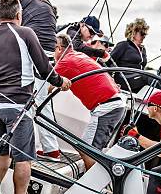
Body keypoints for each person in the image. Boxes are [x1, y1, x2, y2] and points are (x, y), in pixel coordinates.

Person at [0, 0, 71, 194]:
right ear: (19, 14)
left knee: (2, 151)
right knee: (23, 159)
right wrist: (62, 82)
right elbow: (44, 69)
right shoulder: (25, 33)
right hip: (17, 106)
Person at [53, 33, 126, 170]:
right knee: (89, 149)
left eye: (53, 50)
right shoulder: (78, 56)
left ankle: (92, 188)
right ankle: (93, 182)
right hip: (115, 103)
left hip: (107, 106)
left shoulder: (65, 62)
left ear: (58, 49)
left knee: (87, 150)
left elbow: (47, 86)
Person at [17, 0, 61, 159]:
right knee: (43, 103)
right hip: (48, 53)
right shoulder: (48, 5)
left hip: (32, 49)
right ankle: (51, 149)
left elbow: (7, 18)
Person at [110, 18, 149, 92]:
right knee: (148, 77)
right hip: (124, 79)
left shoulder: (143, 49)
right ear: (134, 32)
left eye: (145, 34)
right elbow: (108, 62)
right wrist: (110, 82)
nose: (144, 36)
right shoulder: (124, 45)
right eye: (142, 33)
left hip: (138, 78)